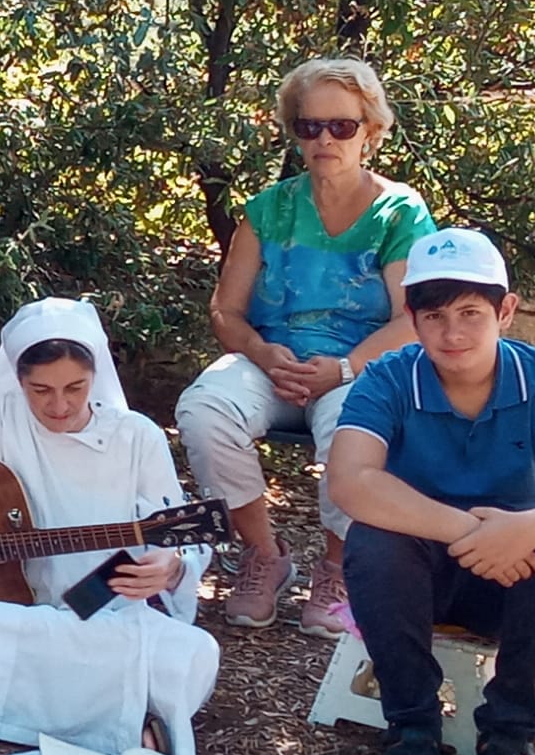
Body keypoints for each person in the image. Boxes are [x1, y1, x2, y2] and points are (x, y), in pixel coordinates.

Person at [326, 228, 535, 755]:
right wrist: (475, 533)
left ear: (505, 312)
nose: (453, 333)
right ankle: (411, 726)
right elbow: (350, 480)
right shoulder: (389, 378)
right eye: (435, 316)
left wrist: (528, 529)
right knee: (374, 541)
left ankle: (510, 736)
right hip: (419, 578)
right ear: (412, 319)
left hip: (516, 580)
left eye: (470, 313)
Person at [0, 298, 220, 755]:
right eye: (41, 390)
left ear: (96, 375)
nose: (59, 405)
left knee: (192, 653)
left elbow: (183, 540)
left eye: (75, 387)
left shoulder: (137, 436)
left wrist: (172, 568)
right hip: (13, 609)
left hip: (101, 609)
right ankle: (113, 726)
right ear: (18, 381)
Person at [174, 55, 434, 635]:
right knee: (204, 409)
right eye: (309, 126)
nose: (325, 139)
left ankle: (338, 568)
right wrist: (263, 354)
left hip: (360, 364)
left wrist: (342, 368)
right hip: (272, 361)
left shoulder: (399, 212)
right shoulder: (268, 210)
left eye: (341, 125)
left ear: (370, 129)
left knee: (356, 426)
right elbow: (225, 311)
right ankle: (264, 555)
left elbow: (413, 319)